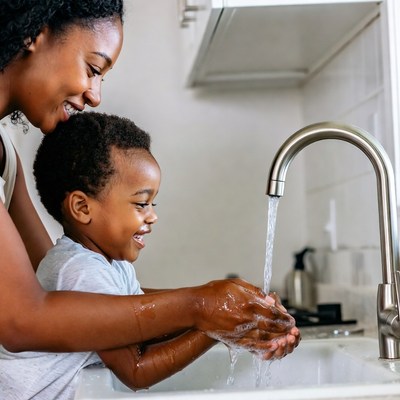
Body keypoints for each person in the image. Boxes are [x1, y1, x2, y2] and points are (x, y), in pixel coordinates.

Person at [0, 0, 299, 357]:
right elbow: (23, 321)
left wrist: (221, 310)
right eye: (93, 68)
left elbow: (54, 288)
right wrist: (199, 307)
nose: (95, 96)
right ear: (35, 33)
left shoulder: (5, 155)